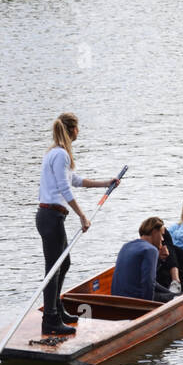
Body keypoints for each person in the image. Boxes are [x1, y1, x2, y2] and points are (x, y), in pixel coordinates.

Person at [36, 112, 121, 335]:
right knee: (53, 268)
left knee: (63, 264)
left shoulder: (54, 153)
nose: (79, 131)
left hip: (50, 216)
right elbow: (65, 189)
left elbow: (75, 180)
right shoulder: (61, 155)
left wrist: (106, 183)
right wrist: (82, 215)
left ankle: (57, 309)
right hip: (51, 217)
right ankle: (50, 319)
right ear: (73, 129)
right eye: (79, 127)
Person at [113, 217, 181, 302]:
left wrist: (171, 294)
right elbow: (149, 283)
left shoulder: (126, 246)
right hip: (136, 301)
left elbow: (151, 281)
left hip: (117, 299)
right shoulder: (150, 250)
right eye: (161, 235)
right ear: (154, 232)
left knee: (175, 296)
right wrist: (147, 306)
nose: (162, 239)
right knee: (182, 297)